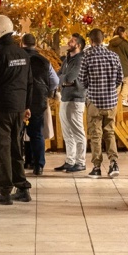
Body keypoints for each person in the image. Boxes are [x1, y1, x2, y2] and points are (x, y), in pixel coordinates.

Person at [0, 14, 33, 205]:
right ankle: (22, 188)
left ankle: (3, 191)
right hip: (18, 109)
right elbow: (29, 82)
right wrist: (26, 105)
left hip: (1, 109)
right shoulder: (23, 54)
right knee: (15, 148)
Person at [80, 28, 123, 178]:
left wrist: (91, 87)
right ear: (103, 39)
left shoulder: (87, 56)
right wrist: (110, 88)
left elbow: (82, 79)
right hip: (111, 101)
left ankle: (97, 167)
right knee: (109, 132)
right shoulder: (114, 56)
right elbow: (120, 78)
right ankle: (113, 163)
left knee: (95, 135)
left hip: (95, 101)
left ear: (90, 41)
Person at [21, 33, 59, 175]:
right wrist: (47, 92)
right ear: (35, 44)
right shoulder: (44, 61)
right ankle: (38, 165)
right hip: (38, 101)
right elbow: (55, 81)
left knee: (18, 133)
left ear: (21, 44)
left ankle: (22, 162)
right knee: (36, 133)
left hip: (19, 100)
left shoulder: (17, 58)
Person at [56, 33, 87, 173]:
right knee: (67, 131)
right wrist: (63, 80)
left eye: (72, 41)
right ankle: (70, 160)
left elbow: (70, 77)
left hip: (75, 98)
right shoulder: (68, 58)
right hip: (65, 97)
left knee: (77, 131)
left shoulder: (80, 60)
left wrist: (62, 80)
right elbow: (59, 75)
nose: (69, 42)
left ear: (78, 45)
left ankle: (80, 162)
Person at [108, 25, 128, 108]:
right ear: (122, 33)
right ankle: (122, 99)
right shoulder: (124, 43)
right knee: (127, 81)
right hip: (123, 66)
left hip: (113, 66)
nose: (125, 34)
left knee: (117, 84)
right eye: (125, 32)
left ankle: (115, 101)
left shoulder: (110, 44)